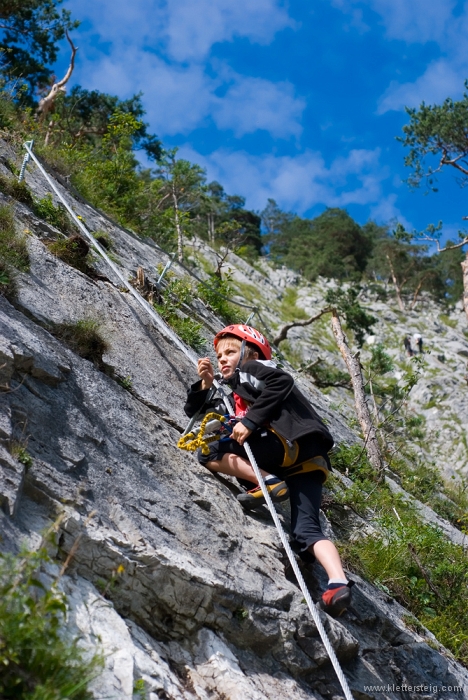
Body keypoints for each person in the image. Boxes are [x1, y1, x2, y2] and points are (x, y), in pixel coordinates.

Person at [183, 324, 353, 616]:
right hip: (309, 460)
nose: (223, 358)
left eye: (231, 352)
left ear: (249, 351)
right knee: (306, 532)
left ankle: (267, 481)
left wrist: (250, 421)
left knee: (209, 449)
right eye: (219, 354)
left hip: (284, 444)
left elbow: (281, 382)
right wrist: (205, 385)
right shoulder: (236, 391)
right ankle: (338, 583)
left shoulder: (254, 370)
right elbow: (197, 413)